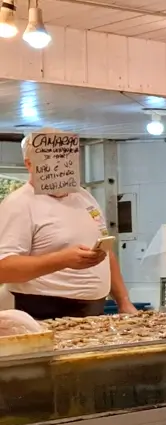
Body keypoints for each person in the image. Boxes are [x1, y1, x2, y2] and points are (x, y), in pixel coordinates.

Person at [0, 133, 136, 319]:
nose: (60, 165)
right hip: (40, 311)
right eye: (51, 159)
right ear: (29, 164)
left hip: (94, 310)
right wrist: (62, 260)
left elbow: (106, 252)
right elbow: (3, 268)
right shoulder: (18, 204)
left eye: (68, 159)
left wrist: (124, 301)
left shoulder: (84, 196)